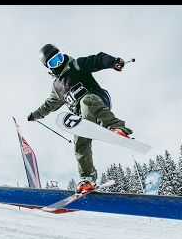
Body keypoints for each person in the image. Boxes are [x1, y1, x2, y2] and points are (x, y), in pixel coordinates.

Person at [27, 44, 133, 193]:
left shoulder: (76, 65)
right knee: (79, 142)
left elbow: (97, 59)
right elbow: (48, 105)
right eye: (53, 62)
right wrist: (35, 115)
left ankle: (117, 127)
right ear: (49, 68)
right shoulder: (57, 88)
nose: (59, 63)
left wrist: (112, 61)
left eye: (59, 58)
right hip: (82, 118)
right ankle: (87, 178)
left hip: (97, 99)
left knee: (86, 101)